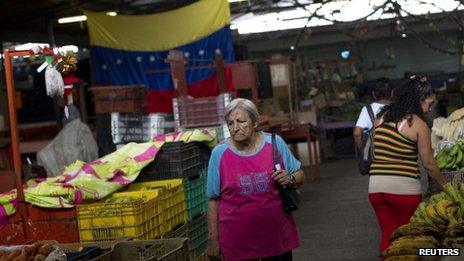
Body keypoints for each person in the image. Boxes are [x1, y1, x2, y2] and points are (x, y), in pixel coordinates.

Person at [206, 98, 305, 261]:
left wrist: (290, 178)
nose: (235, 128)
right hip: (236, 242)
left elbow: (300, 174)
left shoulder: (274, 144)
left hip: (276, 237)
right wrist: (213, 240)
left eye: (241, 121)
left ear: (255, 122)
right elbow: (213, 200)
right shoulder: (219, 154)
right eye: (230, 123)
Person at [368, 76, 446, 254]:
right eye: (429, 103)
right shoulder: (418, 124)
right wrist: (446, 185)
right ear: (419, 100)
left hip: (376, 189)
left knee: (388, 234)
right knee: (410, 239)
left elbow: (375, 153)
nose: (430, 108)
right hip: (403, 191)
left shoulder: (380, 118)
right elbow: (429, 164)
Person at [354, 77, 393, 150]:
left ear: (373, 94)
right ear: (392, 93)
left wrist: (363, 150)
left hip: (376, 155)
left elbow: (357, 133)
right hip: (396, 154)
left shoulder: (367, 110)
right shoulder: (398, 108)